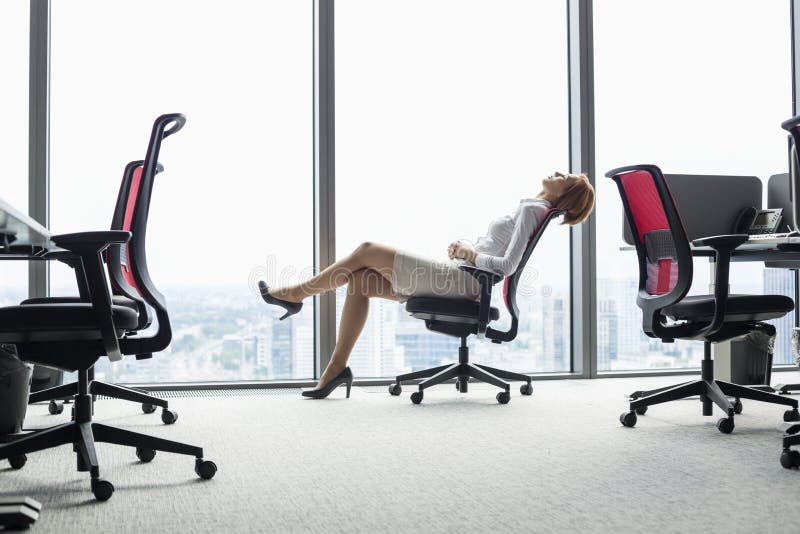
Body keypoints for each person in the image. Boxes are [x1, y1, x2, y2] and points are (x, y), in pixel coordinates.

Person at [258, 171, 595, 398]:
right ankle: (336, 370)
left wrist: (470, 254)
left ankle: (295, 295)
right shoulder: (531, 207)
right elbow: (498, 254)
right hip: (462, 276)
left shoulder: (535, 210)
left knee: (366, 250)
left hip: (464, 281)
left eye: (564, 177)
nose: (557, 173)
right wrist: (466, 250)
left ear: (565, 195)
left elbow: (507, 266)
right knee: (361, 281)